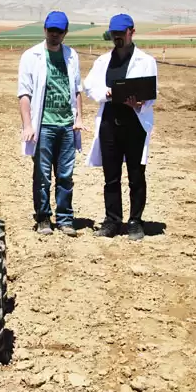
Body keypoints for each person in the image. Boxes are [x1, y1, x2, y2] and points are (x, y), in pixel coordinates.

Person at [83, 14, 158, 241]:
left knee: (136, 175)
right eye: (113, 33)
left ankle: (135, 222)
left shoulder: (146, 61)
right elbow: (89, 86)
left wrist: (140, 103)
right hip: (109, 123)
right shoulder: (103, 61)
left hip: (135, 124)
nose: (117, 37)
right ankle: (112, 221)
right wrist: (106, 93)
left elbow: (151, 92)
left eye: (121, 33)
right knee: (111, 176)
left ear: (131, 32)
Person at [17, 11, 83, 237]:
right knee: (42, 175)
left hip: (67, 125)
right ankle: (43, 217)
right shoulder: (31, 56)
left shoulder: (72, 55)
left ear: (65, 33)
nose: (54, 35)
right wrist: (28, 125)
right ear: (45, 30)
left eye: (59, 31)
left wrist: (79, 118)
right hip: (43, 126)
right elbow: (24, 93)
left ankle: (65, 219)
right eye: (51, 30)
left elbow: (77, 89)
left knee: (65, 175)